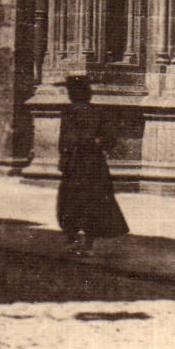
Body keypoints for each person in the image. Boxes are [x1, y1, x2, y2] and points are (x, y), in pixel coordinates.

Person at [57, 76, 129, 257]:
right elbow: (108, 139)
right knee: (88, 202)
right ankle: (84, 243)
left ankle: (76, 241)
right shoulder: (94, 112)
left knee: (76, 202)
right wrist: (95, 141)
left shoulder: (74, 113)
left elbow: (67, 140)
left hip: (81, 163)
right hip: (89, 163)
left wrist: (66, 156)